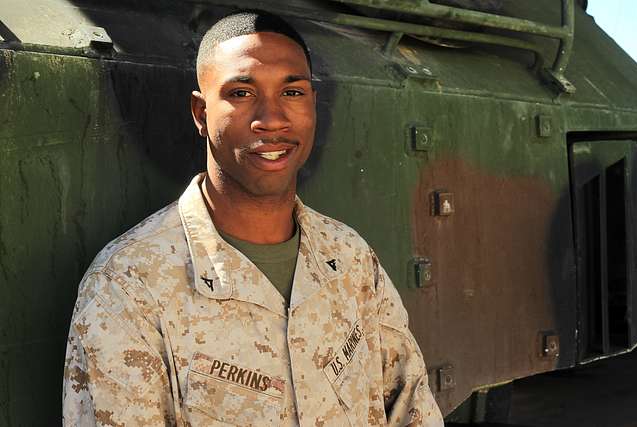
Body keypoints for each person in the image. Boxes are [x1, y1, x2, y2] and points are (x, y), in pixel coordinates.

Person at [62, 9, 444, 427]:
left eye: (292, 92)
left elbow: (412, 407)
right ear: (200, 112)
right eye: (241, 93)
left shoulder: (350, 259)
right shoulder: (129, 286)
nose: (272, 119)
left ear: (314, 104)